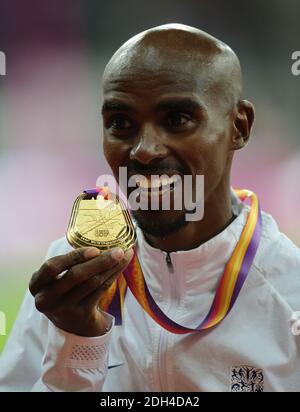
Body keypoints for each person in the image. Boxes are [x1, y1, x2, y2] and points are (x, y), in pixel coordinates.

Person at [0, 23, 300, 392]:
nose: (143, 149)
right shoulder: (70, 283)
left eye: (176, 120)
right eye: (120, 123)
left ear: (239, 126)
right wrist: (74, 347)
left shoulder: (291, 294)